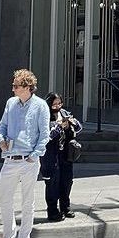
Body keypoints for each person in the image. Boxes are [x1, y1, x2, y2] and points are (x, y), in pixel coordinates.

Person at [0, 69, 51, 238]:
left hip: (29, 161)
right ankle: (9, 237)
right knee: (5, 200)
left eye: (16, 86)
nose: (13, 89)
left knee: (28, 202)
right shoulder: (11, 103)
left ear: (27, 87)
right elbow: (3, 126)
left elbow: (45, 134)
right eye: (13, 85)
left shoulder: (40, 105)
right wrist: (0, 140)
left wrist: (34, 156)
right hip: (9, 159)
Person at [42, 92, 82, 222]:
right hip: (51, 155)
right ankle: (53, 211)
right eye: (54, 104)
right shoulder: (44, 115)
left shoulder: (64, 113)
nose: (57, 106)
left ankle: (65, 207)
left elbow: (79, 128)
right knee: (52, 183)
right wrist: (58, 127)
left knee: (67, 181)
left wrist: (71, 123)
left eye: (59, 103)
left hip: (65, 154)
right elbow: (47, 136)